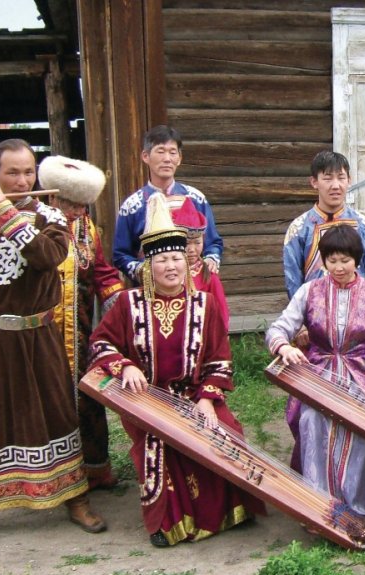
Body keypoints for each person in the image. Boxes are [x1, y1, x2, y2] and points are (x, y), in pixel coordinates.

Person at [89, 193, 264, 546]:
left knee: (227, 433)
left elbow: (220, 359)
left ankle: (230, 511)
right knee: (162, 445)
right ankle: (168, 522)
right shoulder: (128, 303)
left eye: (177, 258)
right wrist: (124, 366)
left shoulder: (205, 304)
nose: (171, 266)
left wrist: (206, 400)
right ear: (148, 267)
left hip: (195, 395)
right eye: (163, 260)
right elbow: (100, 343)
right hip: (149, 400)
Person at [0, 139, 105, 533]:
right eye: (12, 173)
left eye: (28, 172)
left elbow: (46, 258)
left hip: (39, 336)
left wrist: (8, 216)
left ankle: (75, 497)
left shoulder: (52, 217)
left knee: (56, 412)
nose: (22, 180)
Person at [268, 225, 365, 522]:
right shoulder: (308, 291)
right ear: (323, 261)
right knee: (312, 421)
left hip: (361, 377)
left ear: (358, 260)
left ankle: (359, 503)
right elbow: (277, 329)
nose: (338, 267)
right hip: (318, 376)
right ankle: (317, 505)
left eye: (345, 260)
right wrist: (284, 348)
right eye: (332, 260)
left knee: (364, 428)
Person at [39, 155, 125, 490]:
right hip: (42, 332)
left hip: (82, 328)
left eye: (81, 204)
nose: (76, 211)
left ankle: (94, 468)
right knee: (48, 402)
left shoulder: (86, 229)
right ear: (52, 197)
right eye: (70, 204)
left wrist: (121, 305)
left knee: (86, 397)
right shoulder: (34, 224)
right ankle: (51, 478)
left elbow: (101, 271)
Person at [113, 125, 223, 283]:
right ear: (145, 156)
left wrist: (211, 260)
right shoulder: (132, 206)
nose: (167, 159)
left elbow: (213, 243)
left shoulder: (196, 198)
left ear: (179, 158)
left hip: (195, 287)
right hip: (149, 291)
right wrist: (143, 271)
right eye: (160, 151)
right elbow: (120, 254)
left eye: (172, 152)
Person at [282, 151, 365, 300]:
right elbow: (293, 281)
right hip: (314, 316)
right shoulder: (298, 229)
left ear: (349, 180)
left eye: (341, 178)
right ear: (314, 182)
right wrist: (302, 317)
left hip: (359, 313)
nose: (335, 186)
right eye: (327, 178)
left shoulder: (364, 225)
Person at [172, 196, 230, 330]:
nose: (192, 249)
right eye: (186, 243)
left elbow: (221, 310)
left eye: (197, 243)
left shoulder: (208, 274)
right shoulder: (169, 273)